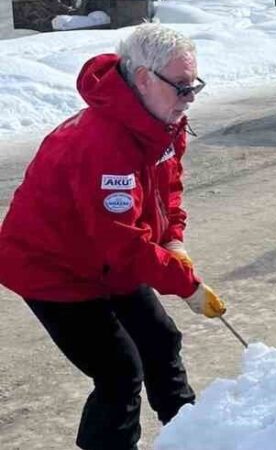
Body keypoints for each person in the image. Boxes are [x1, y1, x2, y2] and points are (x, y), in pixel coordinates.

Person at [0, 24, 227, 450]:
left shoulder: (161, 122)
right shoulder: (101, 144)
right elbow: (120, 243)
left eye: (193, 85)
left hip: (103, 258)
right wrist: (187, 285)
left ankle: (193, 434)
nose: (189, 97)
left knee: (161, 341)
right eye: (181, 86)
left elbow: (166, 191)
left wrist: (173, 239)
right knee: (119, 370)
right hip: (52, 268)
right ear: (143, 78)